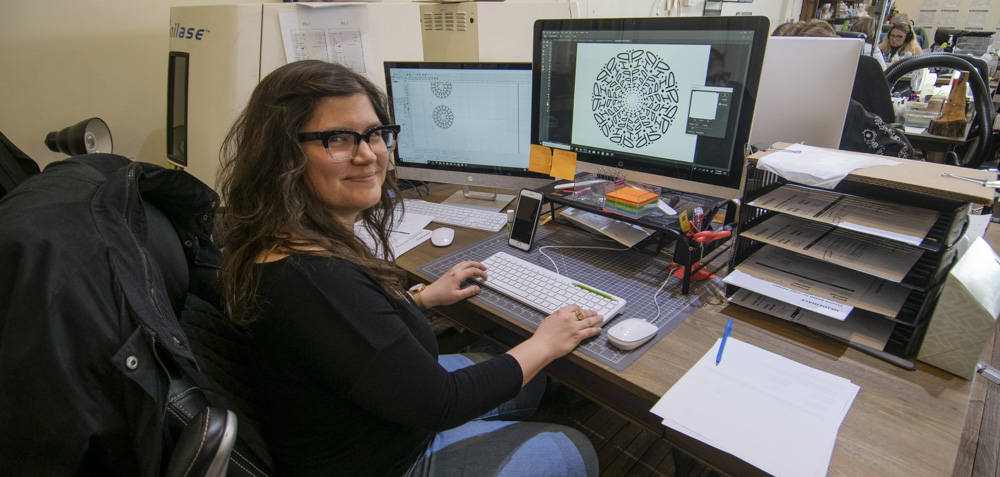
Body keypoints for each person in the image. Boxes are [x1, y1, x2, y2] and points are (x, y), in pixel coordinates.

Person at [216, 59, 601, 477]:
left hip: (371, 412)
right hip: (386, 458)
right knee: (575, 447)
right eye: (338, 139)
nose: (368, 154)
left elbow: (347, 332)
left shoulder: (282, 241)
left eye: (375, 134)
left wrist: (420, 297)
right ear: (281, 155)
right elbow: (443, 402)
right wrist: (545, 342)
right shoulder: (314, 281)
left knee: (535, 381)